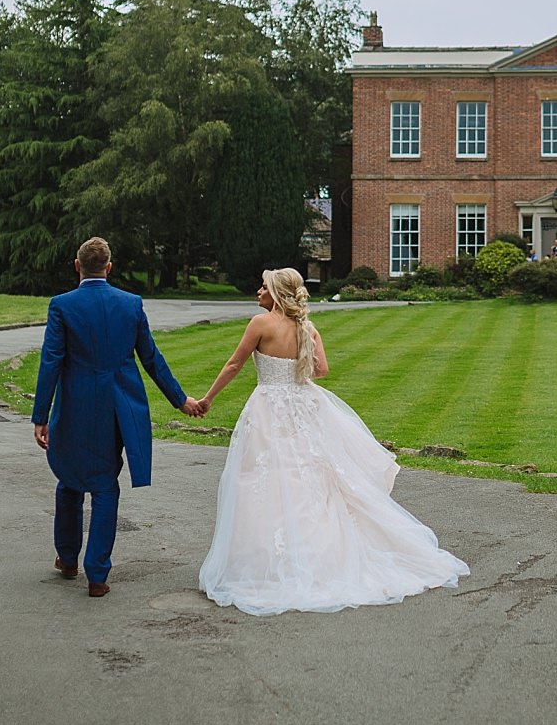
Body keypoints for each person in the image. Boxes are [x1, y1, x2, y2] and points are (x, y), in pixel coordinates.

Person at [196, 267, 469, 616]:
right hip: (303, 405)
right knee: (312, 477)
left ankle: (269, 558)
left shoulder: (260, 324)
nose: (258, 291)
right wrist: (295, 370)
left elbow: (235, 364)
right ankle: (315, 551)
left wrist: (207, 398)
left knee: (266, 478)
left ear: (276, 293)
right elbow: (322, 369)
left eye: (263, 287)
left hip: (269, 408)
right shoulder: (306, 327)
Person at [32, 236, 207, 597]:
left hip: (75, 405)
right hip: (116, 407)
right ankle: (97, 575)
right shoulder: (130, 303)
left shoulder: (62, 305)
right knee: (105, 484)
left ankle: (67, 559)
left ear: (77, 265)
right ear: (109, 268)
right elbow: (151, 359)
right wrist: (180, 400)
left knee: (69, 478)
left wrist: (40, 416)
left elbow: (51, 361)